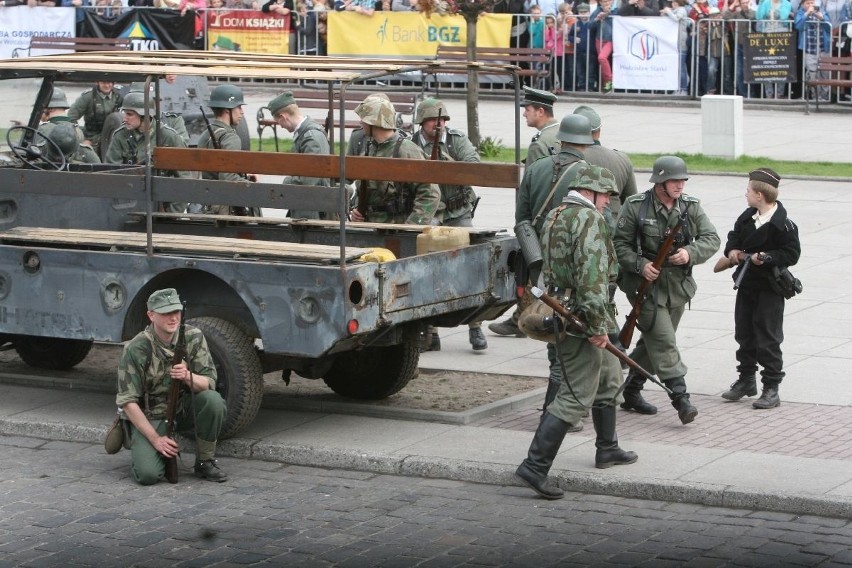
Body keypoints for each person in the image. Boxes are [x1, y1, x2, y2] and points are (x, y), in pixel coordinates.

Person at [514, 165, 637, 500]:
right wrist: (599, 328)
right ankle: (535, 467)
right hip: (582, 317)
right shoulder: (588, 220)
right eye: (606, 196)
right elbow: (592, 277)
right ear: (590, 192)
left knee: (610, 378)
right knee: (574, 395)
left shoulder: (557, 214)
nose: (608, 203)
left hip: (572, 309)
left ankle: (607, 448)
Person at [613, 156, 720, 424]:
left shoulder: (690, 207)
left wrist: (689, 253)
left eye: (683, 180)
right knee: (664, 341)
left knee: (654, 342)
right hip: (645, 287)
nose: (680, 185)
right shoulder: (636, 206)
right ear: (660, 181)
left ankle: (632, 391)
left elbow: (712, 238)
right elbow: (619, 245)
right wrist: (641, 265)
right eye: (675, 180)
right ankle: (681, 399)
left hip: (678, 288)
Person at [489, 112, 591, 340]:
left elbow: (521, 217)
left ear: (561, 138)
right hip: (570, 256)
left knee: (547, 309)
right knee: (567, 318)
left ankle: (555, 361)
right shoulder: (587, 173)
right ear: (586, 141)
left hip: (536, 253)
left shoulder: (535, 168)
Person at [116, 288, 228, 485]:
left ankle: (205, 461)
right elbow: (128, 402)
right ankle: (141, 445)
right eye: (166, 313)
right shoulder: (136, 348)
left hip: (182, 408)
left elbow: (209, 382)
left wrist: (187, 376)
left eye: (176, 311)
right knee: (148, 475)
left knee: (213, 401)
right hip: (151, 414)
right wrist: (155, 439)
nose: (173, 318)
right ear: (151, 315)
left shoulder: (193, 336)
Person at [722, 168, 800, 409]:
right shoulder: (747, 216)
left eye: (748, 191)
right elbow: (733, 236)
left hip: (769, 289)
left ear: (759, 195)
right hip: (747, 285)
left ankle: (771, 388)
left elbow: (791, 254)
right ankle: (746, 380)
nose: (745, 194)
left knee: (768, 338)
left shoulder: (784, 226)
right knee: (744, 334)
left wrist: (766, 257)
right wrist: (732, 251)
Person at [412, 98, 486, 352]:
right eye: (434, 119)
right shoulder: (411, 144)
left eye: (443, 120)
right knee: (426, 269)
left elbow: (474, 169)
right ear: (422, 122)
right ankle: (429, 331)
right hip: (430, 212)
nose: (439, 124)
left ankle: (475, 326)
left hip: (458, 210)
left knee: (467, 265)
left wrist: (443, 157)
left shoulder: (456, 140)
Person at [349, 95, 442, 225]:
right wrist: (357, 210)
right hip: (370, 226)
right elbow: (364, 191)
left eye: (363, 119)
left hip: (397, 228)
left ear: (373, 122)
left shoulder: (406, 150)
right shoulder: (369, 150)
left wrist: (412, 227)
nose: (361, 123)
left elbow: (430, 194)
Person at [267, 91, 333, 220]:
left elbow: (309, 180)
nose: (280, 126)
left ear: (283, 117)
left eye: (278, 121)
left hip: (313, 211)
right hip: (308, 207)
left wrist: (287, 182)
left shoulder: (311, 138)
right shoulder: (305, 134)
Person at [196, 84, 256, 216]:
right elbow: (228, 176)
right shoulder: (230, 138)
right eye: (238, 107)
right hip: (226, 207)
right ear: (227, 110)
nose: (242, 112)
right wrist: (252, 187)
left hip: (208, 203)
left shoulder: (205, 134)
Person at [572, 105, 637, 223]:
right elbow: (632, 203)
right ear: (599, 132)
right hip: (614, 228)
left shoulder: (571, 159)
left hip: (580, 225)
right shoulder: (622, 159)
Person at [38, 87, 100, 165]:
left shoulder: (43, 130)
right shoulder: (77, 130)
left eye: (41, 108)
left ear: (51, 108)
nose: (39, 112)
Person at [66, 80, 124, 159]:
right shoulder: (88, 97)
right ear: (97, 82)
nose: (107, 86)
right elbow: (71, 117)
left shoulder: (119, 95)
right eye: (103, 82)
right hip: (92, 138)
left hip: (113, 137)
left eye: (109, 82)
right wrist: (81, 139)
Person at [795, 0, 832, 103]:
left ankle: (824, 97)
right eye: (808, 3)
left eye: (812, 3)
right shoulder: (801, 13)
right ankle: (815, 96)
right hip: (809, 48)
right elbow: (798, 26)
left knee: (824, 73)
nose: (811, 5)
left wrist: (822, 18)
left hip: (823, 48)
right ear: (803, 4)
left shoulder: (822, 11)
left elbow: (829, 28)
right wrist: (806, 14)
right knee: (812, 74)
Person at [520, 86, 560, 166]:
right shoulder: (562, 131)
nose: (524, 114)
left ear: (540, 112)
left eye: (527, 110)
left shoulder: (539, 144)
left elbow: (532, 177)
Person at [661, 0, 693, 96]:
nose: (672, 4)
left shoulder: (682, 10)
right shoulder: (674, 10)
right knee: (677, 67)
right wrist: (665, 12)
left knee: (681, 67)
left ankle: (683, 88)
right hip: (673, 42)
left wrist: (668, 12)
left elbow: (676, 18)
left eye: (673, 2)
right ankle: (678, 87)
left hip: (681, 42)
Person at [591, 0, 615, 93]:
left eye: (608, 1)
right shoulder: (597, 11)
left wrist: (608, 15)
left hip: (610, 40)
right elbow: (590, 26)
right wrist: (597, 19)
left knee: (602, 58)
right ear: (600, 3)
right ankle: (605, 86)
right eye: (604, 1)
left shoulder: (615, 11)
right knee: (602, 63)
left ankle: (609, 82)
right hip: (599, 39)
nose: (606, 3)